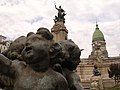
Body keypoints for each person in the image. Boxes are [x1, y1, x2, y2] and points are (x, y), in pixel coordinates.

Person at [0, 33, 69, 90]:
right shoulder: (19, 68)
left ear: (52, 48)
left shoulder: (58, 80)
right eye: (26, 43)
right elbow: (5, 63)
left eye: (35, 40)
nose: (28, 43)